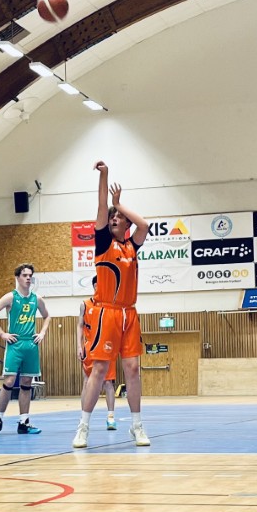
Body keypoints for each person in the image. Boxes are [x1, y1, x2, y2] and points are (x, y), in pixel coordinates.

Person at [73, 161, 150, 449]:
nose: (115, 218)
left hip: (129, 314)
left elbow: (144, 225)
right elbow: (101, 204)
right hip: (107, 313)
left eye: (119, 217)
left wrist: (120, 204)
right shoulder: (104, 242)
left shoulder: (132, 245)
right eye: (113, 216)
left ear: (127, 225)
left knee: (133, 369)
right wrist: (104, 176)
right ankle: (83, 427)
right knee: (99, 370)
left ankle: (137, 426)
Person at [0, 263, 50, 436]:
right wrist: (2, 333)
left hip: (31, 344)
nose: (28, 278)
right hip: (15, 344)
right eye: (24, 275)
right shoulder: (11, 297)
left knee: (27, 383)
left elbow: (47, 316)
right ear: (17, 277)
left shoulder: (37, 299)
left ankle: (24, 422)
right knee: (9, 381)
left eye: (30, 275)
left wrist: (42, 333)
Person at [77, 276, 118, 430]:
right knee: (87, 381)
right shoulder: (85, 304)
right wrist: (79, 346)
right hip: (90, 348)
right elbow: (79, 325)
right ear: (95, 286)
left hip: (107, 347)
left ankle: (111, 418)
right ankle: (84, 420)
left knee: (108, 383)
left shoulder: (112, 304)